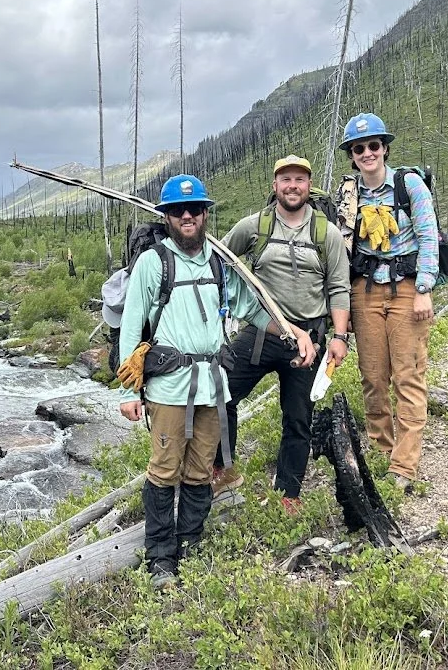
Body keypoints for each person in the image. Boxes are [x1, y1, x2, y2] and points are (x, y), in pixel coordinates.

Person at [117, 174, 316, 587]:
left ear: (206, 213)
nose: (186, 216)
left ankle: (189, 544)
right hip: (169, 387)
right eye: (177, 211)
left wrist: (291, 331)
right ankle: (160, 559)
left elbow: (253, 310)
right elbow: (132, 324)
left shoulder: (219, 263)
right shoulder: (154, 263)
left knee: (199, 471)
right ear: (167, 217)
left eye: (194, 209)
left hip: (213, 383)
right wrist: (128, 391)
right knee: (164, 471)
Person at [212, 155, 352, 512]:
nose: (292, 185)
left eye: (300, 179)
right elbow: (221, 259)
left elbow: (338, 287)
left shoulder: (327, 234)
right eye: (285, 179)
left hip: (310, 340)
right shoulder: (254, 226)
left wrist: (339, 337)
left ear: (309, 185)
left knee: (298, 418)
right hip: (261, 333)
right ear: (274, 186)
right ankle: (222, 468)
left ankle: (289, 493)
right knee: (218, 392)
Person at [336, 114, 438, 493]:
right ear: (352, 155)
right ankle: (382, 451)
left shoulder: (409, 185)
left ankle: (405, 465)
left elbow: (428, 235)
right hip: (364, 292)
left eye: (373, 146)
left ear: (385, 149)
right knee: (373, 378)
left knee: (408, 377)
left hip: (407, 289)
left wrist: (424, 288)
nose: (367, 153)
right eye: (359, 148)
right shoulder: (349, 195)